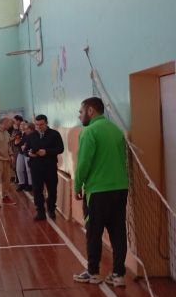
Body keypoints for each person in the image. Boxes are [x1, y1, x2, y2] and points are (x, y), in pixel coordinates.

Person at [73, 97, 129, 286]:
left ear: (90, 111)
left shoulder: (89, 131)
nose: (79, 116)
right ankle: (118, 275)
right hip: (120, 189)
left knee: (93, 233)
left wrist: (77, 185)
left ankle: (93, 273)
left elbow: (83, 163)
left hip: (98, 191)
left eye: (81, 112)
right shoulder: (116, 130)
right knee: (118, 232)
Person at [28, 114, 65, 221]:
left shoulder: (54, 134)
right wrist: (29, 153)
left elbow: (60, 148)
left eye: (41, 124)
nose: (39, 127)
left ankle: (51, 209)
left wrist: (47, 152)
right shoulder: (32, 135)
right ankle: (40, 212)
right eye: (37, 125)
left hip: (50, 167)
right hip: (36, 167)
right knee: (37, 190)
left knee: (52, 189)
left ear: (46, 123)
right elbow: (26, 149)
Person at [14, 122, 34, 192]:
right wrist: (19, 142)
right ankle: (21, 184)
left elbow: (25, 143)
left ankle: (30, 185)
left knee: (28, 170)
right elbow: (17, 143)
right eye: (21, 124)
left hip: (27, 153)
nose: (21, 125)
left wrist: (23, 145)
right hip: (21, 153)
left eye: (23, 124)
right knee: (19, 169)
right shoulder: (20, 133)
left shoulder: (29, 134)